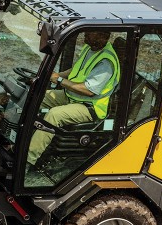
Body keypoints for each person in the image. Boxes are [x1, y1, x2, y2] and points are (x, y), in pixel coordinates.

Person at [27, 30, 120, 165]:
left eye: (91, 33)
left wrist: (59, 80)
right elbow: (76, 69)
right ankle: (17, 139)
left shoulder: (106, 62)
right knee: (35, 96)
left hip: (90, 106)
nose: (86, 34)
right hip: (72, 96)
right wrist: (56, 75)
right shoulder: (90, 48)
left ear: (103, 36)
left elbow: (89, 91)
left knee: (54, 115)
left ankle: (27, 159)